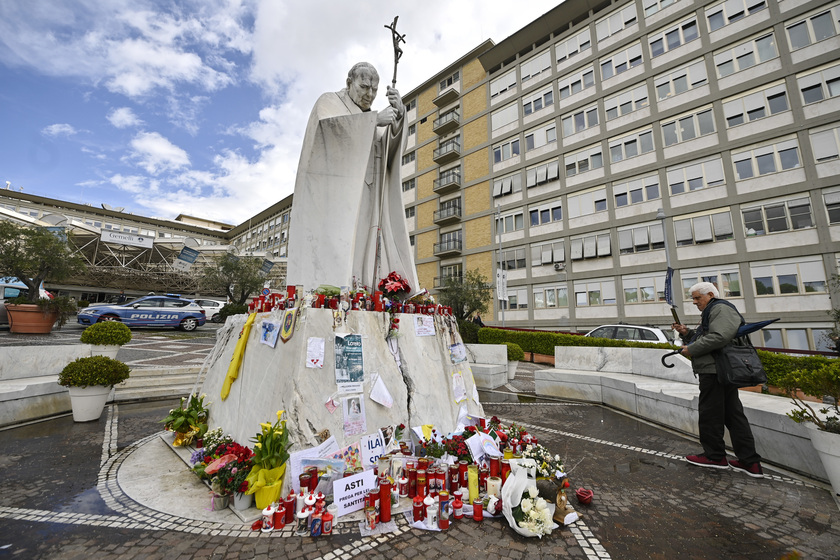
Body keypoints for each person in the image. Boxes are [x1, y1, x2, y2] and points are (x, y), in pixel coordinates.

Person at [286, 62, 419, 293]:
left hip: (369, 196)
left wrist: (398, 119)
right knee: (343, 249)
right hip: (337, 200)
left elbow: (386, 151)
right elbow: (325, 131)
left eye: (374, 90)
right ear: (350, 83)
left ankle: (365, 291)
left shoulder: (368, 116)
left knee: (364, 252)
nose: (369, 95)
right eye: (364, 87)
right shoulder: (329, 102)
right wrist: (374, 121)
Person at [672, 282, 763, 478]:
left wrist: (691, 349)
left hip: (716, 371)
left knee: (710, 414)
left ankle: (714, 457)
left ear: (711, 294)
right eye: (693, 298)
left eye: (698, 298)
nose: (695, 302)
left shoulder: (720, 308)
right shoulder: (714, 310)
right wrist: (686, 333)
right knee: (733, 415)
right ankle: (749, 462)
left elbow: (719, 337)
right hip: (719, 370)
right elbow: (708, 336)